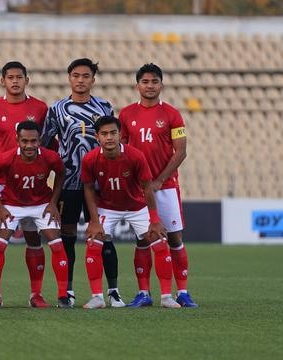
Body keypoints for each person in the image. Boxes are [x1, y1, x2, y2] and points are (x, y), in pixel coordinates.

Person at [40, 58, 123, 308]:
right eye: (76, 75)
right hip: (68, 183)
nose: (80, 80)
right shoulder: (57, 109)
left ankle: (113, 292)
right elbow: (44, 144)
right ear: (69, 78)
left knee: (103, 236)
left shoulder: (105, 107)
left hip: (99, 184)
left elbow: (114, 143)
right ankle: (68, 291)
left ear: (93, 80)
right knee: (66, 236)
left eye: (86, 76)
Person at [0, 61, 52, 308]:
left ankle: (36, 294)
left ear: (27, 80)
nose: (15, 81)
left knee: (34, 238)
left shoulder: (40, 108)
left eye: (19, 77)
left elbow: (46, 144)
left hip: (32, 184)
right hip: (3, 184)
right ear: (2, 81)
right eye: (10, 77)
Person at [80, 115, 180, 309]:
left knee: (159, 242)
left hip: (137, 207)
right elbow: (89, 189)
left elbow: (147, 187)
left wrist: (154, 218)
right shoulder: (90, 159)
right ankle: (97, 297)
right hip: (108, 207)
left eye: (113, 133)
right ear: (97, 137)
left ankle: (166, 296)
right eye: (104, 134)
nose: (109, 137)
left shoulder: (135, 156)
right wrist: (94, 220)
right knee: (94, 242)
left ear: (120, 135)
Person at [119, 63, 197, 307]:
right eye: (145, 82)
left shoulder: (172, 114)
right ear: (137, 85)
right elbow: (122, 150)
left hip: (166, 187)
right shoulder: (126, 114)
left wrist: (159, 180)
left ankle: (183, 292)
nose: (149, 86)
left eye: (154, 82)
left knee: (174, 238)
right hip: (138, 189)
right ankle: (144, 293)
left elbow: (181, 151)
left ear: (161, 85)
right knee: (143, 239)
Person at [0, 121, 71, 308]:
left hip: (41, 204)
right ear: (17, 140)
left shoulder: (50, 157)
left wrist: (53, 202)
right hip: (12, 204)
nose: (29, 145)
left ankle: (57, 296)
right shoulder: (6, 158)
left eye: (33, 141)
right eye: (24, 141)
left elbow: (61, 174)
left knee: (56, 244)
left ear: (40, 141)